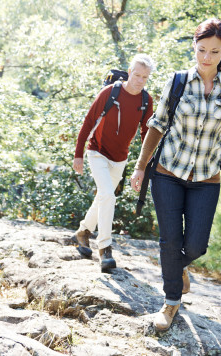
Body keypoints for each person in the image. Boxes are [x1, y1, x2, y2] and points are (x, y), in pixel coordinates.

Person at [130, 18, 221, 331]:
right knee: (170, 240)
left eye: (214, 51)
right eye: (201, 50)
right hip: (168, 172)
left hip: (206, 180)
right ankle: (171, 303)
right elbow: (157, 125)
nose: (206, 57)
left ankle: (178, 266)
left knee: (196, 245)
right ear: (194, 48)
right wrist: (141, 166)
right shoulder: (179, 81)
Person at [73, 54, 155, 273]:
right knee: (108, 195)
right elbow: (89, 120)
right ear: (130, 72)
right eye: (137, 75)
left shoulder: (146, 101)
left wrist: (144, 166)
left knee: (103, 196)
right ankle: (105, 248)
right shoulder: (111, 93)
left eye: (144, 77)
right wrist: (78, 154)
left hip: (120, 158)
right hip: (97, 152)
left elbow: (147, 135)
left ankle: (82, 232)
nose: (140, 80)